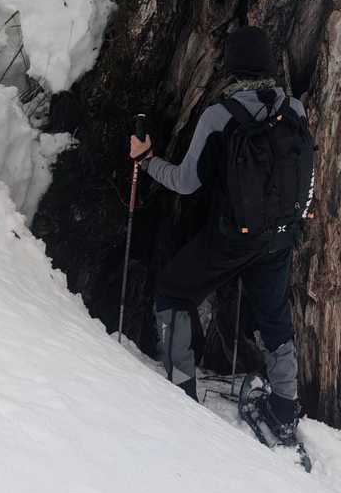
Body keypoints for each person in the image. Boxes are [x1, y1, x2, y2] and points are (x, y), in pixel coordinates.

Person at [129, 26, 312, 446]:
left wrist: (148, 161)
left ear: (231, 66)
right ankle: (285, 409)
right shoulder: (296, 110)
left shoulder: (220, 114)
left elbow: (186, 182)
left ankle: (181, 389)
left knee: (174, 292)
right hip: (281, 236)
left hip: (232, 238)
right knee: (274, 318)